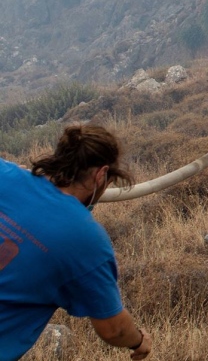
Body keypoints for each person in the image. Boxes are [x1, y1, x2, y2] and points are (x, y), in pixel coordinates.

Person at [0, 125, 152, 361]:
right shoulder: (86, 239)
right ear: (101, 175)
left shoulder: (5, 174)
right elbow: (114, 329)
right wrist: (139, 341)